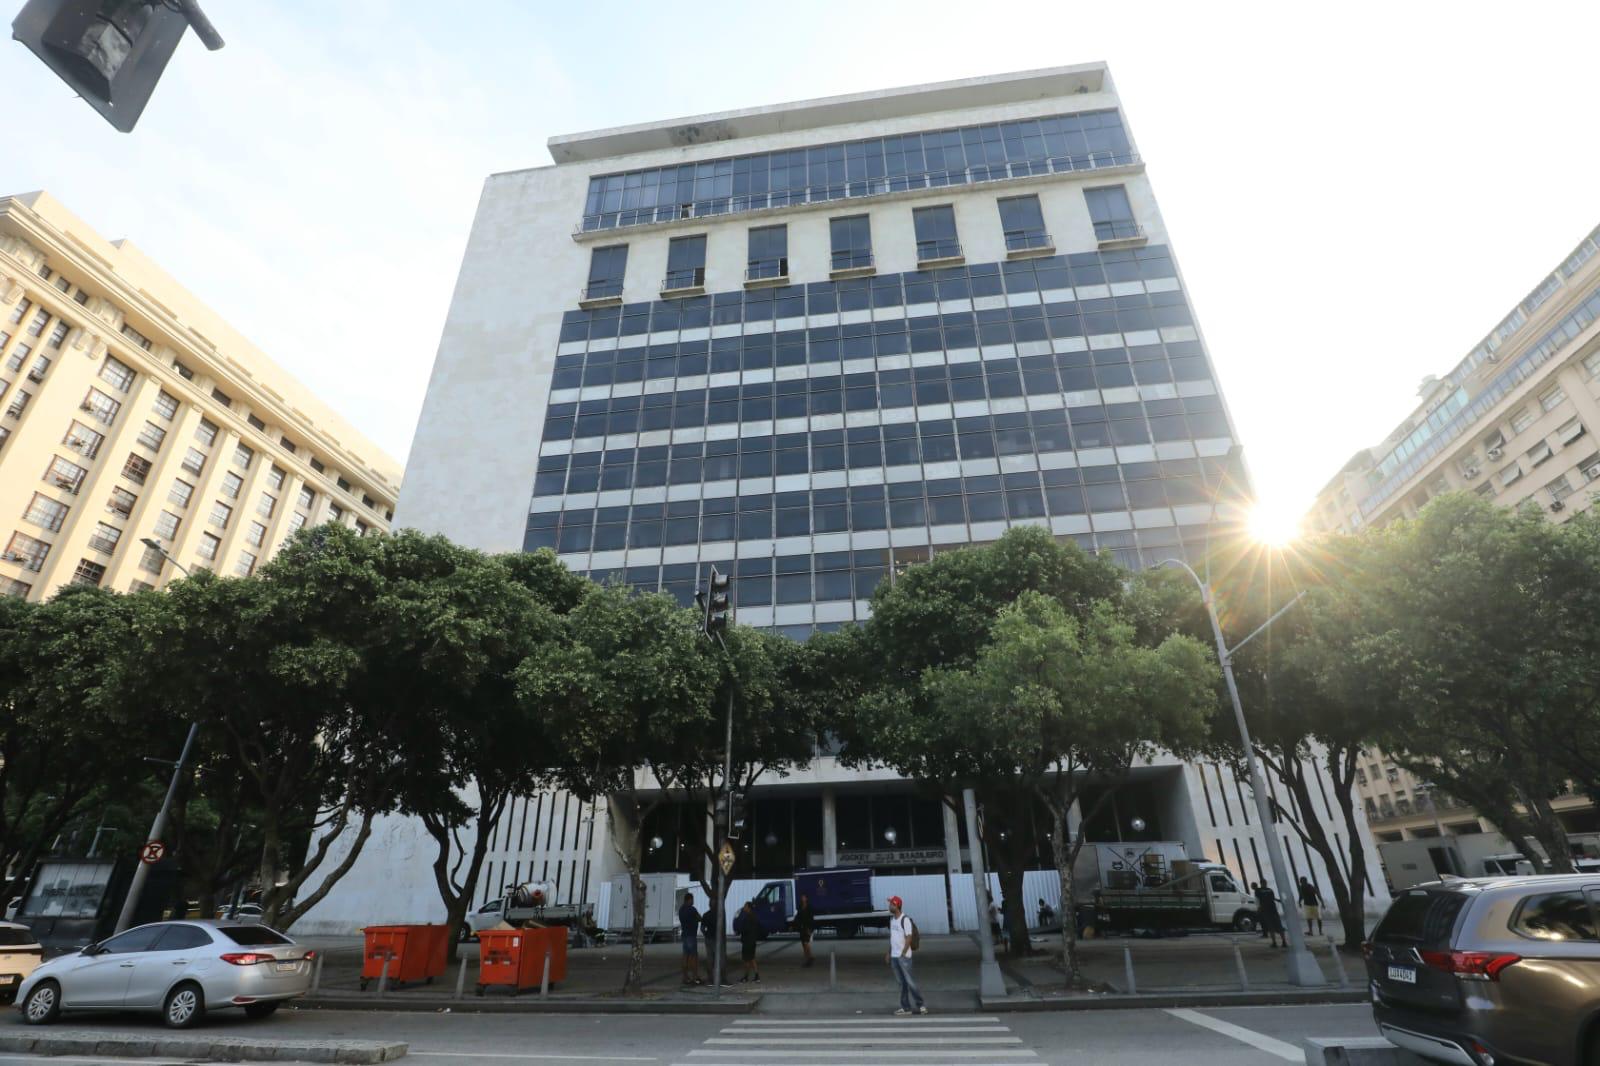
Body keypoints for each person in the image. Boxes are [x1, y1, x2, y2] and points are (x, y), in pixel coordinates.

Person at [886, 895, 927, 1016]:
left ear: (897, 905)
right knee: (902, 983)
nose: (889, 906)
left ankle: (921, 1005)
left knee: (910, 982)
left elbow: (909, 937)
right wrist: (889, 952)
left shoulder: (905, 920)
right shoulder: (892, 920)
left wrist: (903, 952)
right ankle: (906, 1007)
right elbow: (893, 938)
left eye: (891, 904)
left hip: (903, 957)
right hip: (894, 956)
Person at [678, 892, 703, 986]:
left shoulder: (681, 909)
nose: (693, 901)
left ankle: (685, 977)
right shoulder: (692, 909)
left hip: (684, 935)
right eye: (692, 900)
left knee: (685, 956)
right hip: (691, 935)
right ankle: (695, 977)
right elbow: (700, 918)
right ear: (689, 900)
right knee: (694, 957)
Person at [736, 901, 761, 983]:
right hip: (752, 940)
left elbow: (745, 929)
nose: (744, 907)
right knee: (752, 958)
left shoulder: (748, 918)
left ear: (749, 908)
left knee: (746, 959)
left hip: (747, 941)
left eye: (745, 906)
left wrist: (739, 931)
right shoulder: (754, 917)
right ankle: (756, 976)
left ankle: (746, 977)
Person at [1255, 881, 1284, 948]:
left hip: (1266, 910)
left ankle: (1274, 942)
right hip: (1273, 909)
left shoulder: (1258, 891)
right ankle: (1284, 941)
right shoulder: (1270, 890)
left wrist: (1258, 910)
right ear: (1266, 883)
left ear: (1261, 883)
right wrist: (1278, 900)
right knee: (1279, 926)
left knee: (1271, 927)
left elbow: (1258, 901)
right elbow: (1272, 898)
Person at [795, 892, 816, 967]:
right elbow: (798, 916)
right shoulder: (800, 906)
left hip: (807, 927)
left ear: (806, 898)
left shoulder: (809, 907)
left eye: (804, 897)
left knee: (806, 942)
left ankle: (810, 957)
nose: (803, 898)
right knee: (803, 944)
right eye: (802, 897)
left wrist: (810, 929)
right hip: (802, 927)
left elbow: (811, 918)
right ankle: (808, 958)